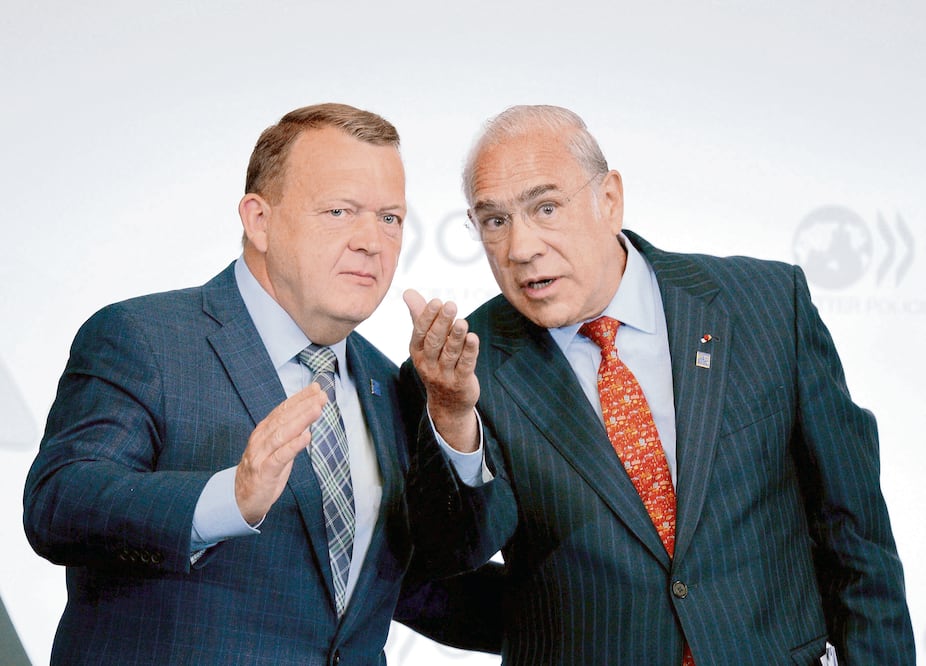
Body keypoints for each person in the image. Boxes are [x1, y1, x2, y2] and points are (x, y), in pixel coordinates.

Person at [402, 105, 915, 664]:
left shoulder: (767, 304)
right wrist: (552, 631)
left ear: (609, 199)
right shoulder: (459, 369)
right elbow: (441, 565)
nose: (521, 247)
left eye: (545, 208)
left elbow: (856, 535)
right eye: (494, 221)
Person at [22, 103, 492, 665]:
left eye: (390, 218)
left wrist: (601, 607)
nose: (373, 240)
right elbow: (60, 504)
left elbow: (410, 588)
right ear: (259, 220)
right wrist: (230, 498)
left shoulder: (388, 384)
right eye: (341, 211)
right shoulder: (144, 338)